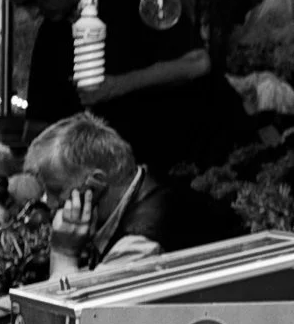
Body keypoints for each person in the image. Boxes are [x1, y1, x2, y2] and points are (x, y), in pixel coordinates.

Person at [0, 0, 243, 174]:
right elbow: (40, 127)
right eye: (23, 6)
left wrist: (115, 87)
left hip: (199, 156)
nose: (32, 14)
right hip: (124, 173)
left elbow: (197, 63)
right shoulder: (50, 36)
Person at [25, 114, 241, 270]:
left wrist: (63, 254)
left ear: (96, 185)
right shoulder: (151, 183)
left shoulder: (139, 246)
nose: (50, 203)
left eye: (55, 190)